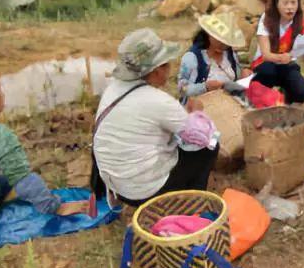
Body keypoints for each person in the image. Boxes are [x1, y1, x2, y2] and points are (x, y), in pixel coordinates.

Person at [93, 28, 219, 207]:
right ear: (157, 70)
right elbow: (202, 135)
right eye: (166, 63)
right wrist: (197, 113)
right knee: (211, 143)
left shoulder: (113, 88)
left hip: (118, 188)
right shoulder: (159, 101)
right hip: (147, 193)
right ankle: (192, 198)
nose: (170, 68)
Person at [0, 68, 88, 234]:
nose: (3, 95)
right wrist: (56, 207)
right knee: (14, 179)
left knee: (2, 180)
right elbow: (23, 179)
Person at [251, 0, 304, 104]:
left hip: (287, 63)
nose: (290, 7)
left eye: (293, 3)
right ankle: (262, 93)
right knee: (268, 73)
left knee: (302, 93)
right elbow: (266, 55)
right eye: (285, 3)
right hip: (266, 63)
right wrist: (283, 57)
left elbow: (303, 51)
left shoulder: (301, 21)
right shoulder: (267, 19)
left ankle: (286, 93)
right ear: (276, 4)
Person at [178, 12, 252, 103]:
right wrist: (205, 87)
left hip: (229, 103)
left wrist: (243, 75)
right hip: (201, 107)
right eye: (219, 39)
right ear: (209, 35)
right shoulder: (192, 58)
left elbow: (235, 79)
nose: (223, 45)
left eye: (226, 41)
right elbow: (182, 90)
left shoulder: (229, 54)